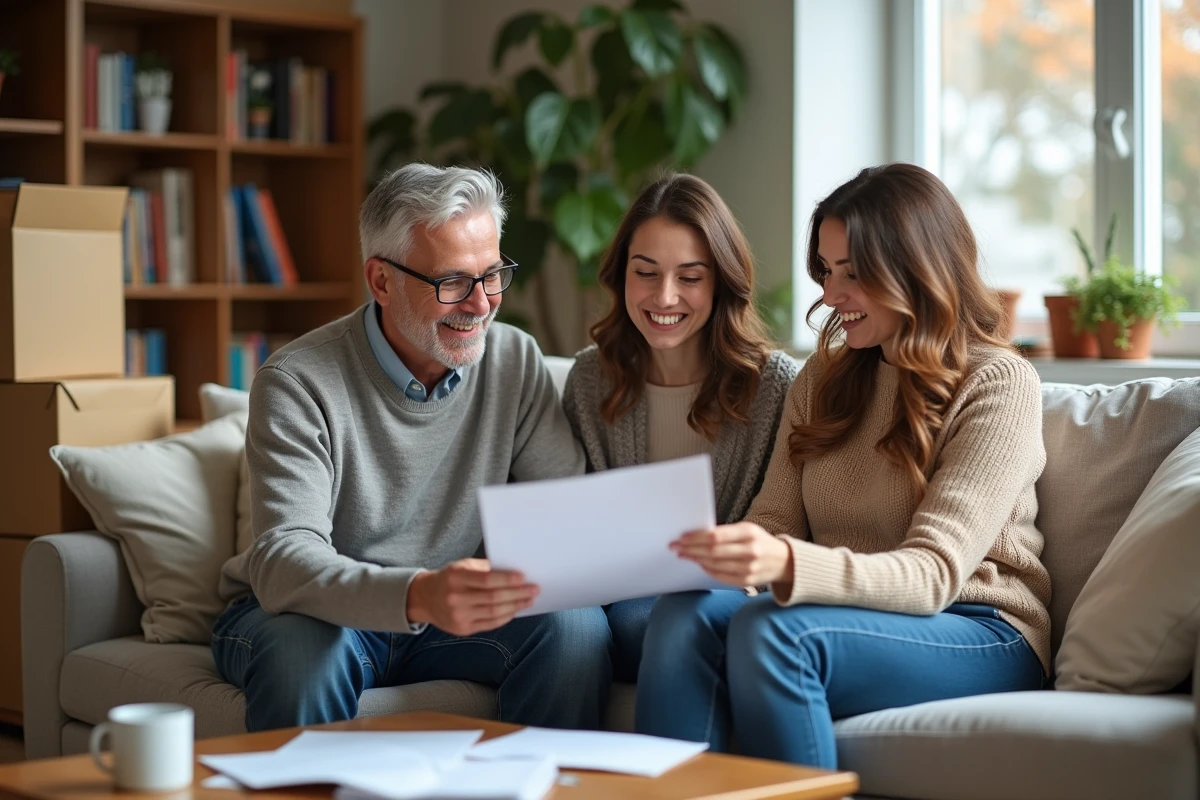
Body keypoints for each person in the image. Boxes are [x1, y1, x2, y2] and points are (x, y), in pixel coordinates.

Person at [635, 163, 1050, 767]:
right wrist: (731, 559)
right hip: (849, 616)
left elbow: (935, 574)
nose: (830, 296)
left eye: (852, 274)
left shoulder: (998, 382)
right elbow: (774, 520)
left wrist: (785, 563)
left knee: (774, 634)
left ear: (916, 268)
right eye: (827, 272)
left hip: (980, 626)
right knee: (682, 615)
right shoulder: (822, 380)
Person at [212, 163, 612, 733]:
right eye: (452, 282)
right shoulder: (298, 380)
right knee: (306, 651)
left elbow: (564, 515)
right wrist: (419, 594)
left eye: (493, 275)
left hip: (455, 618)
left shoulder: (513, 361)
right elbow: (282, 565)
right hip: (313, 615)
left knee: (574, 625)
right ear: (380, 280)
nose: (481, 305)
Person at [562, 173, 798, 682]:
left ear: (721, 282)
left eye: (690, 277)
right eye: (645, 272)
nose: (664, 297)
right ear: (621, 273)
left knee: (663, 618)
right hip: (616, 599)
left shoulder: (776, 387)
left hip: (724, 599)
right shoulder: (588, 380)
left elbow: (788, 523)